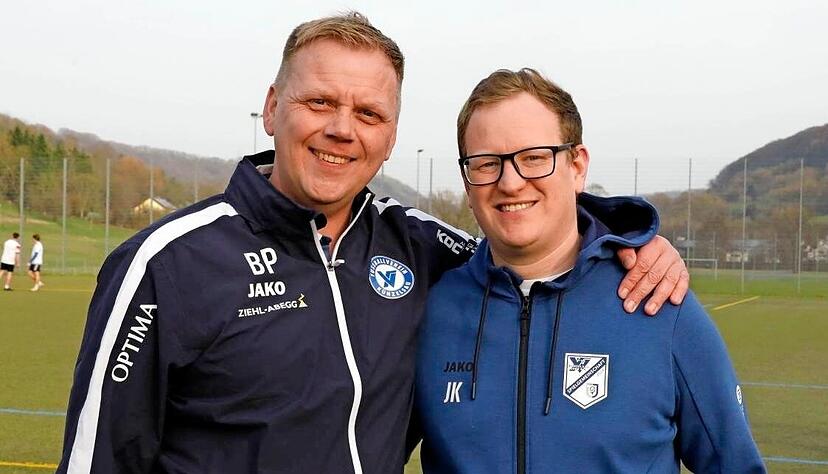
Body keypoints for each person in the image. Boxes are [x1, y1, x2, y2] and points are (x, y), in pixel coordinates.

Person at [58, 13, 689, 474]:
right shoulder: (166, 264)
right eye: (319, 101)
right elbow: (99, 460)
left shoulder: (421, 247)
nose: (341, 129)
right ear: (273, 107)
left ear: (389, 134)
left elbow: (525, 240)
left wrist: (625, 238)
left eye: (368, 113)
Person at [411, 68, 765, 473]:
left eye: (534, 158)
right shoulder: (431, 306)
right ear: (467, 180)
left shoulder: (660, 303)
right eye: (487, 163)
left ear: (577, 166)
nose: (510, 182)